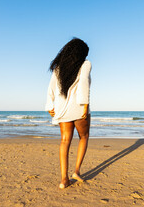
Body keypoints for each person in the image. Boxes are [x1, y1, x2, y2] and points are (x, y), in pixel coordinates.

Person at [45, 38, 92, 189]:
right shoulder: (85, 64)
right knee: (83, 137)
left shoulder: (58, 67)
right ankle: (76, 171)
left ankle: (63, 179)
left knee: (65, 141)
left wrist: (49, 105)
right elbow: (84, 81)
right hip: (78, 107)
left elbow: (51, 87)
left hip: (62, 108)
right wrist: (84, 105)